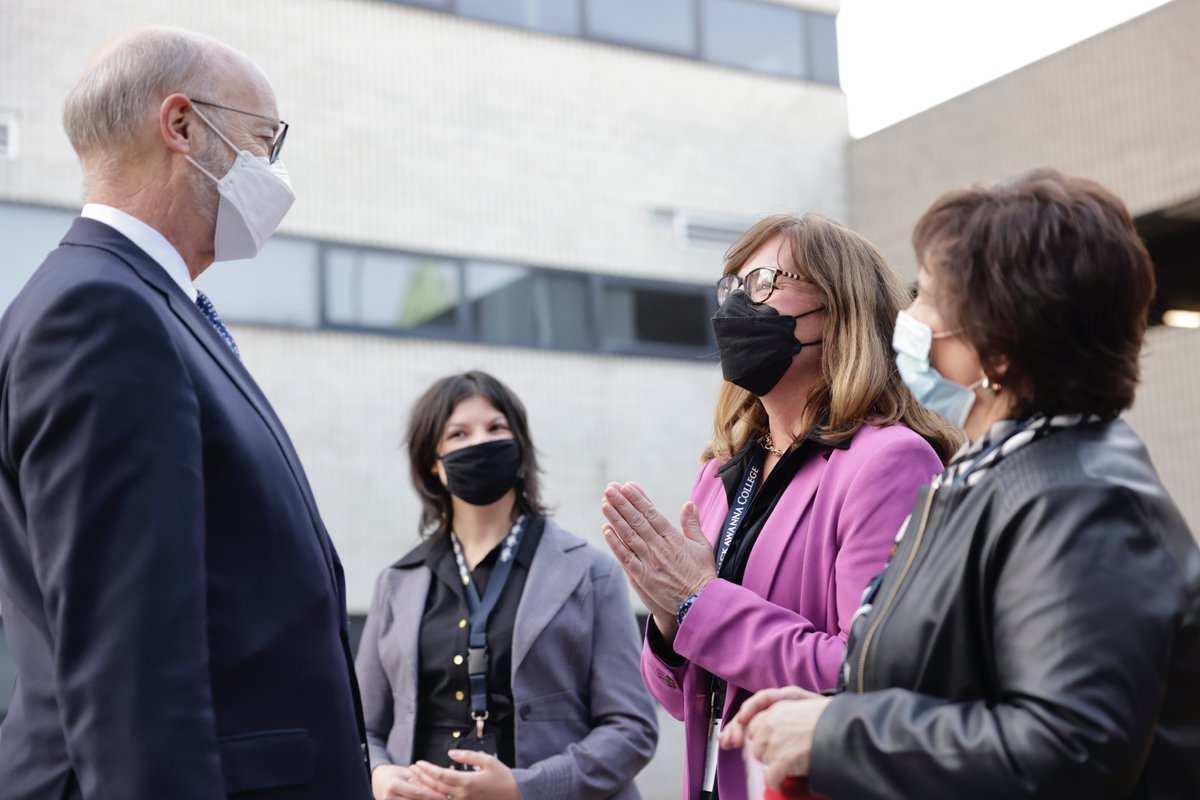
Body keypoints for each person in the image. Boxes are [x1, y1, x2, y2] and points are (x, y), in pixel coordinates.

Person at [721, 169, 1200, 798]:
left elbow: (1069, 748)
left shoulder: (1079, 498)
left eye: (927, 296)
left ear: (997, 339)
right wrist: (825, 711)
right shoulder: (1001, 475)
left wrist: (839, 731)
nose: (905, 318)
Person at [0, 27, 371, 800]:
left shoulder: (148, 305)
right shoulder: (103, 313)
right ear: (181, 126)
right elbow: (132, 666)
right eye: (263, 140)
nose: (273, 171)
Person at [600, 213, 959, 800]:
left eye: (766, 282)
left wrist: (697, 600)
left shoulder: (890, 461)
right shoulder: (720, 473)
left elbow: (870, 673)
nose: (740, 304)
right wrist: (669, 618)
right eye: (734, 287)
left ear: (840, 308)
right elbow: (682, 699)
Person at [356, 371, 658, 800]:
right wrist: (380, 774)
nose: (480, 442)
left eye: (496, 428)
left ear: (520, 447)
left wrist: (524, 788)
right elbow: (362, 727)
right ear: (433, 462)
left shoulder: (591, 573)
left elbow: (632, 729)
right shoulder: (396, 583)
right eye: (458, 433)